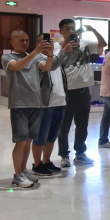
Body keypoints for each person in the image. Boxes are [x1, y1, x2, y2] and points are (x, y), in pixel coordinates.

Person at [2, 30, 55, 187]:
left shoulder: (36, 57)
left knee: (28, 140)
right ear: (12, 42)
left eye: (26, 40)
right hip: (19, 104)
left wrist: (50, 54)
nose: (25, 42)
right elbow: (17, 66)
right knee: (21, 140)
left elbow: (47, 67)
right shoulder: (8, 57)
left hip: (36, 103)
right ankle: (17, 175)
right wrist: (35, 52)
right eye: (21, 40)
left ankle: (23, 170)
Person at [56, 19, 107, 167]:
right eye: (67, 29)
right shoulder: (58, 47)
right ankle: (64, 155)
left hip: (84, 91)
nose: (71, 31)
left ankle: (80, 153)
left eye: (73, 28)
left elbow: (103, 44)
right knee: (64, 126)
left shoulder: (85, 43)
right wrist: (66, 43)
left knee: (82, 125)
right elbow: (55, 63)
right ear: (61, 31)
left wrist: (92, 29)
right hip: (67, 91)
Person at [31, 34, 72, 176]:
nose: (50, 44)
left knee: (52, 136)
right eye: (46, 42)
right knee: (40, 136)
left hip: (60, 101)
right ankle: (37, 165)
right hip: (45, 104)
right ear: (38, 44)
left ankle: (46, 161)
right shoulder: (37, 58)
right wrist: (63, 52)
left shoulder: (56, 58)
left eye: (51, 42)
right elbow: (48, 67)